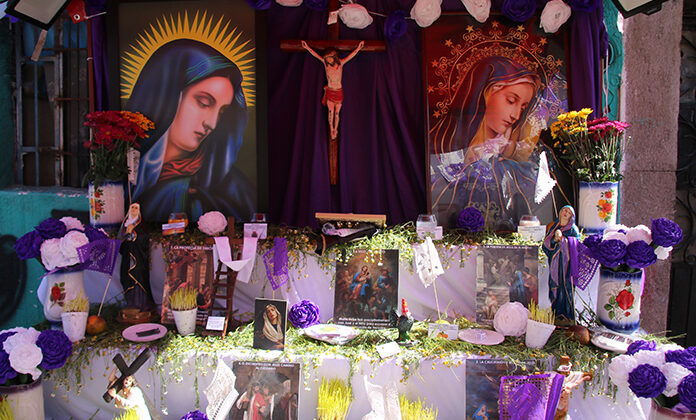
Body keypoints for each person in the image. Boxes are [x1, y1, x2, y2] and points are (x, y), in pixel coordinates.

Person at [127, 39, 254, 222]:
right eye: (203, 103)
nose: (212, 124)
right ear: (168, 96)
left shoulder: (233, 189)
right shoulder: (125, 169)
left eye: (221, 112)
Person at [430, 56, 546, 229]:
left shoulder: (515, 159)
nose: (515, 115)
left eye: (523, 107)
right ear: (484, 93)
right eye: (511, 101)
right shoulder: (442, 147)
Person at [301, 40, 364, 140]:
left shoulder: (340, 64)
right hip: (330, 91)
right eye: (327, 59)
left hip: (338, 91)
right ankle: (332, 129)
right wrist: (307, 47)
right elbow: (316, 55)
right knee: (330, 112)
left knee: (337, 113)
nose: (328, 60)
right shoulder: (326, 65)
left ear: (334, 57)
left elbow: (351, 56)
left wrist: (359, 48)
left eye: (329, 58)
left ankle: (335, 129)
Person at [542, 205, 580, 323]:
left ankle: (568, 315)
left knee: (566, 288)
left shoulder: (573, 230)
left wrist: (563, 240)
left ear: (571, 216)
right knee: (556, 287)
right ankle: (557, 313)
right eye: (564, 210)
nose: (565, 213)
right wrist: (554, 239)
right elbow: (546, 245)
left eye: (568, 212)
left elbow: (576, 246)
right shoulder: (554, 227)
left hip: (567, 266)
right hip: (556, 264)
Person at [119, 203, 155, 311]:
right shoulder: (125, 224)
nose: (134, 209)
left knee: (138, 276)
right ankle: (131, 303)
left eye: (136, 208)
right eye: (132, 207)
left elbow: (144, 238)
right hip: (127, 257)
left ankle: (141, 304)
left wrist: (134, 233)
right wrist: (126, 233)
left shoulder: (141, 224)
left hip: (138, 257)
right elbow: (120, 240)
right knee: (126, 277)